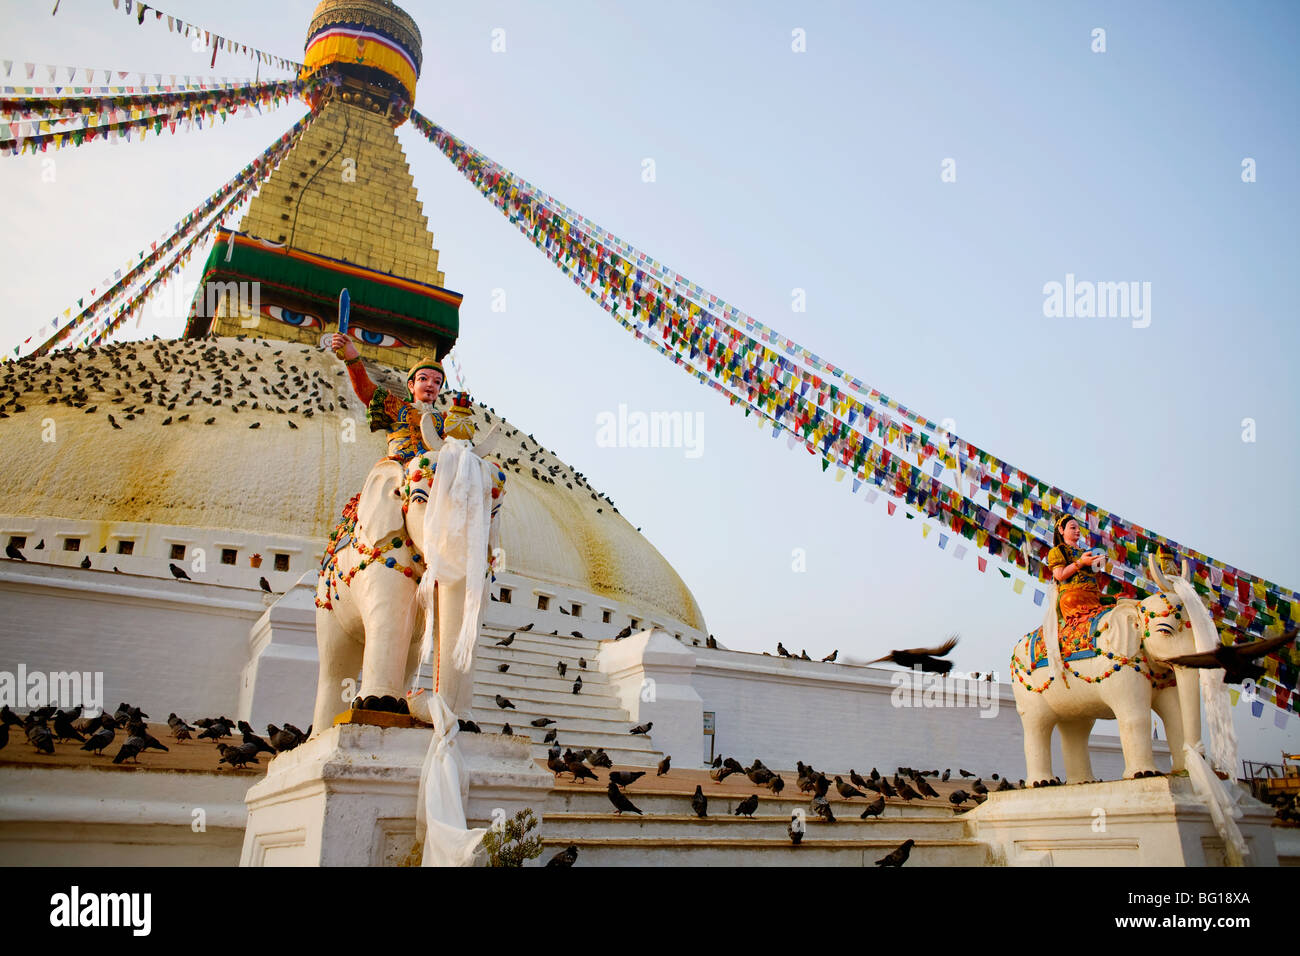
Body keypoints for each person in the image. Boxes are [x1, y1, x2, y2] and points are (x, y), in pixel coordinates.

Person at [329, 332, 446, 462]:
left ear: (439, 390)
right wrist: (352, 358)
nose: (430, 384)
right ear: (411, 386)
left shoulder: (445, 421)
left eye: (437, 382)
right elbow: (366, 391)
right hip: (398, 470)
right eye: (423, 379)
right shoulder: (397, 407)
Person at [1046, 514, 1113, 623]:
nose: (1077, 531)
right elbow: (1059, 575)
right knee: (1069, 599)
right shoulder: (1057, 551)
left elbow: (1093, 577)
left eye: (1078, 528)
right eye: (1073, 528)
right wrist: (1081, 562)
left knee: (1119, 599)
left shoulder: (1085, 552)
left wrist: (1098, 563)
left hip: (1093, 593)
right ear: (1061, 529)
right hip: (1074, 595)